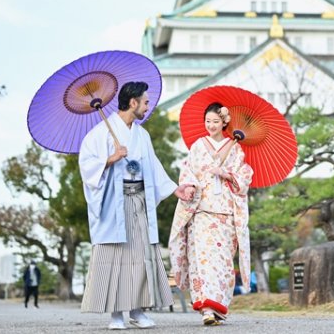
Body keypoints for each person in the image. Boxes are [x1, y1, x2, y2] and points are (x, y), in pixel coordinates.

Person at [79, 81, 194, 330]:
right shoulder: (99, 133)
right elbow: (86, 166)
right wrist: (110, 159)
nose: (147, 106)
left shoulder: (142, 135)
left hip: (139, 200)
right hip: (114, 203)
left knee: (141, 256)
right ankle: (116, 314)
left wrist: (175, 189)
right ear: (133, 103)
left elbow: (154, 167)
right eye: (145, 101)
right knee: (116, 255)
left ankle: (138, 311)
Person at [169, 102, 253, 326]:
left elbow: (244, 177)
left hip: (225, 212)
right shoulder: (197, 146)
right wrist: (189, 186)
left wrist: (226, 173)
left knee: (224, 262)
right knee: (203, 260)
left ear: (224, 122)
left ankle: (218, 306)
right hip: (202, 211)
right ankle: (207, 307)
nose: (211, 125)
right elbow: (188, 171)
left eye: (215, 121)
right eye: (207, 121)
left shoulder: (235, 148)